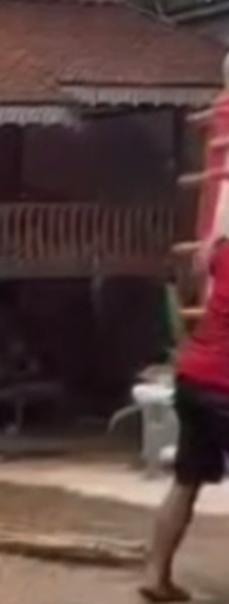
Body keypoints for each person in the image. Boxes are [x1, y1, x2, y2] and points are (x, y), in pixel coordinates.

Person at [142, 235, 229, 602]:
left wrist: (214, 243)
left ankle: (154, 576)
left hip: (193, 377)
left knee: (185, 481)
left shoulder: (225, 251)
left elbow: (201, 259)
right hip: (225, 384)